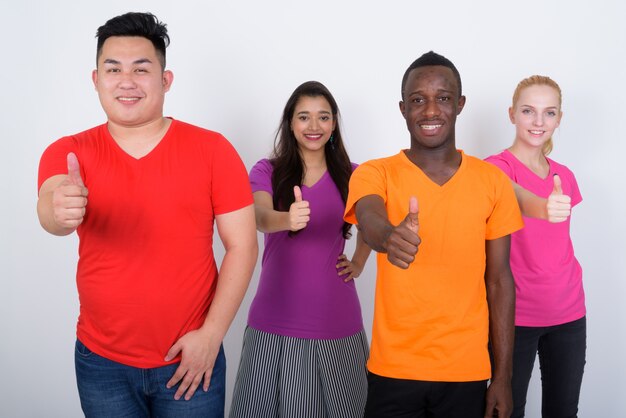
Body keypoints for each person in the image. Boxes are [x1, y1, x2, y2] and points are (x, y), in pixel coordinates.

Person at [36, 12, 257, 417]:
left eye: (141, 69)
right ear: (96, 79)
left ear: (165, 80)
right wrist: (59, 207)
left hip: (192, 359)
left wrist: (212, 335)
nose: (126, 81)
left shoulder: (212, 150)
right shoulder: (68, 152)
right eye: (113, 69)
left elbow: (242, 245)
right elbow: (50, 209)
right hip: (101, 362)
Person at [344, 51, 524, 418]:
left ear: (459, 104)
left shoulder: (492, 181)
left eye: (442, 98)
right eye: (417, 100)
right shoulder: (374, 172)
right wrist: (388, 235)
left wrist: (503, 377)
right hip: (393, 368)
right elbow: (369, 215)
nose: (430, 111)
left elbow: (500, 281)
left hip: (467, 370)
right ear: (402, 108)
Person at [229, 81, 372, 418]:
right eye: (304, 117)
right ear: (290, 123)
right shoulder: (268, 170)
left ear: (334, 123)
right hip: (274, 319)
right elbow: (259, 216)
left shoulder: (356, 176)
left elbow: (371, 224)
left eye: (323, 117)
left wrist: (359, 261)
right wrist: (287, 219)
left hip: (337, 319)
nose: (313, 126)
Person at [486, 75, 586, 418]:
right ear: (512, 114)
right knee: (506, 410)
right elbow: (510, 192)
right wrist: (542, 206)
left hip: (569, 311)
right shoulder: (494, 169)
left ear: (559, 119)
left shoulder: (565, 176)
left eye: (549, 113)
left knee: (563, 411)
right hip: (514, 316)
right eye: (529, 111)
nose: (539, 122)